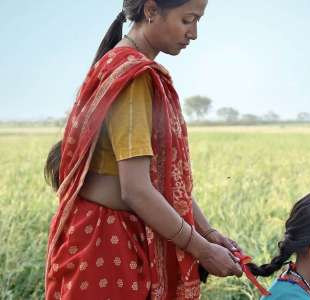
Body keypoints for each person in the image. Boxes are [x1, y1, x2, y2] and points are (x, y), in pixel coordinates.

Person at [43, 1, 243, 299]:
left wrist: (209, 233)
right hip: (109, 243)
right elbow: (137, 190)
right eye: (188, 19)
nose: (194, 33)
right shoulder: (134, 78)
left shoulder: (120, 65)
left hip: (107, 235)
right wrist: (202, 249)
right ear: (151, 10)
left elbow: (163, 181)